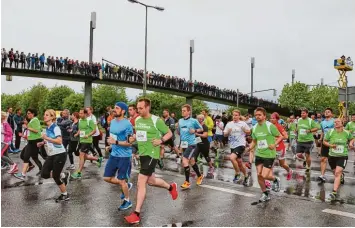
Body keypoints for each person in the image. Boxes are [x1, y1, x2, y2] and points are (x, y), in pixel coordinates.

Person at [124, 98, 178, 224]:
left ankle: (136, 214)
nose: (139, 110)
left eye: (141, 108)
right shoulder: (137, 119)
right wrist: (133, 139)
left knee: (141, 182)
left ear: (148, 107)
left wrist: (161, 140)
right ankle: (171, 187)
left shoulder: (156, 120)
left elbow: (169, 133)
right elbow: (139, 135)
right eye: (138, 108)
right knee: (152, 181)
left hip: (152, 153)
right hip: (143, 154)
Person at [248, 107, 283, 202]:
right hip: (259, 154)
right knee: (259, 175)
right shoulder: (254, 128)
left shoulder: (269, 126)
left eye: (259, 115)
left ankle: (275, 179)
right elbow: (254, 141)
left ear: (264, 116)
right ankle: (265, 193)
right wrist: (249, 148)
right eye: (256, 115)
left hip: (269, 154)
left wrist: (275, 144)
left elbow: (280, 136)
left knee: (264, 175)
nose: (257, 117)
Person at [104, 102, 134, 211]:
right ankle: (127, 185)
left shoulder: (127, 124)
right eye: (114, 108)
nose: (114, 110)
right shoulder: (112, 121)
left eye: (117, 108)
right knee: (107, 178)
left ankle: (127, 201)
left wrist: (115, 142)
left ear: (123, 111)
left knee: (121, 180)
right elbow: (113, 137)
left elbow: (129, 143)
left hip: (124, 156)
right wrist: (110, 146)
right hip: (113, 154)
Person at [37, 109, 70, 202]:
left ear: (52, 117)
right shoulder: (47, 128)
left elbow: (59, 141)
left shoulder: (55, 128)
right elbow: (50, 140)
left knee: (55, 176)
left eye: (47, 115)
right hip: (51, 154)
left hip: (59, 154)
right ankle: (63, 175)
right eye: (44, 114)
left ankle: (65, 194)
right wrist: (43, 142)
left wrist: (46, 138)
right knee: (44, 173)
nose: (44, 116)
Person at [323, 118, 353, 200]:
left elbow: (352, 138)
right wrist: (330, 145)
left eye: (338, 122)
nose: (336, 123)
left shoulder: (347, 133)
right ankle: (341, 176)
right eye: (335, 122)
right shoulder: (331, 132)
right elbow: (324, 141)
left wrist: (350, 143)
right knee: (334, 172)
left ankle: (334, 192)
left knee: (337, 172)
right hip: (332, 156)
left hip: (342, 156)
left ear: (342, 123)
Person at [178, 104, 204, 189]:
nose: (183, 112)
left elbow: (201, 129)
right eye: (182, 110)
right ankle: (200, 176)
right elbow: (180, 132)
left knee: (184, 161)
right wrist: (180, 146)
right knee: (192, 162)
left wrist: (195, 130)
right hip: (184, 144)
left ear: (189, 112)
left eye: (184, 110)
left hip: (191, 144)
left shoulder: (193, 121)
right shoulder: (180, 121)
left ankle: (187, 182)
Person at [71, 108, 102, 179]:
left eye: (81, 113)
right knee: (83, 156)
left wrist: (88, 135)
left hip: (87, 140)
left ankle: (78, 172)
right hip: (81, 140)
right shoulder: (80, 120)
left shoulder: (89, 121)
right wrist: (77, 134)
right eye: (79, 113)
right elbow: (80, 129)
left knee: (81, 155)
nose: (80, 114)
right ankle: (97, 159)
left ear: (85, 114)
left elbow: (94, 130)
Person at [14, 108, 44, 180]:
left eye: (29, 113)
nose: (27, 115)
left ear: (33, 113)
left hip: (34, 141)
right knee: (24, 155)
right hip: (31, 141)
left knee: (26, 157)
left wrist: (27, 127)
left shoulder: (35, 120)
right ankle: (34, 167)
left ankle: (23, 175)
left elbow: (37, 130)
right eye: (27, 113)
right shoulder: (32, 121)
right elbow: (36, 130)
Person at [224, 110, 250, 185]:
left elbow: (249, 132)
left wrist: (244, 130)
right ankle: (246, 175)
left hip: (241, 144)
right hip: (232, 145)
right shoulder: (229, 124)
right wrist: (228, 132)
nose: (234, 116)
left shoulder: (242, 123)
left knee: (232, 158)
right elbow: (225, 135)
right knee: (239, 163)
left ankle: (237, 173)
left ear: (239, 116)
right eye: (233, 115)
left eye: (236, 115)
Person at [270, 112, 293, 181]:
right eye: (271, 118)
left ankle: (289, 171)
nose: (271, 119)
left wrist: (276, 138)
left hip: (280, 148)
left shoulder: (279, 126)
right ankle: (268, 180)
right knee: (270, 164)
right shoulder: (269, 126)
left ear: (277, 119)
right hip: (272, 148)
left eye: (273, 118)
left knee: (282, 164)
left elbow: (286, 136)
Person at [318, 108, 335, 183]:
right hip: (325, 142)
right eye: (325, 112)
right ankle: (322, 175)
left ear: (331, 114)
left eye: (328, 112)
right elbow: (322, 131)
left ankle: (339, 175)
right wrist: (320, 139)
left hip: (333, 142)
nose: (327, 113)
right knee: (323, 159)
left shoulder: (334, 121)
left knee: (333, 161)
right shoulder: (322, 122)